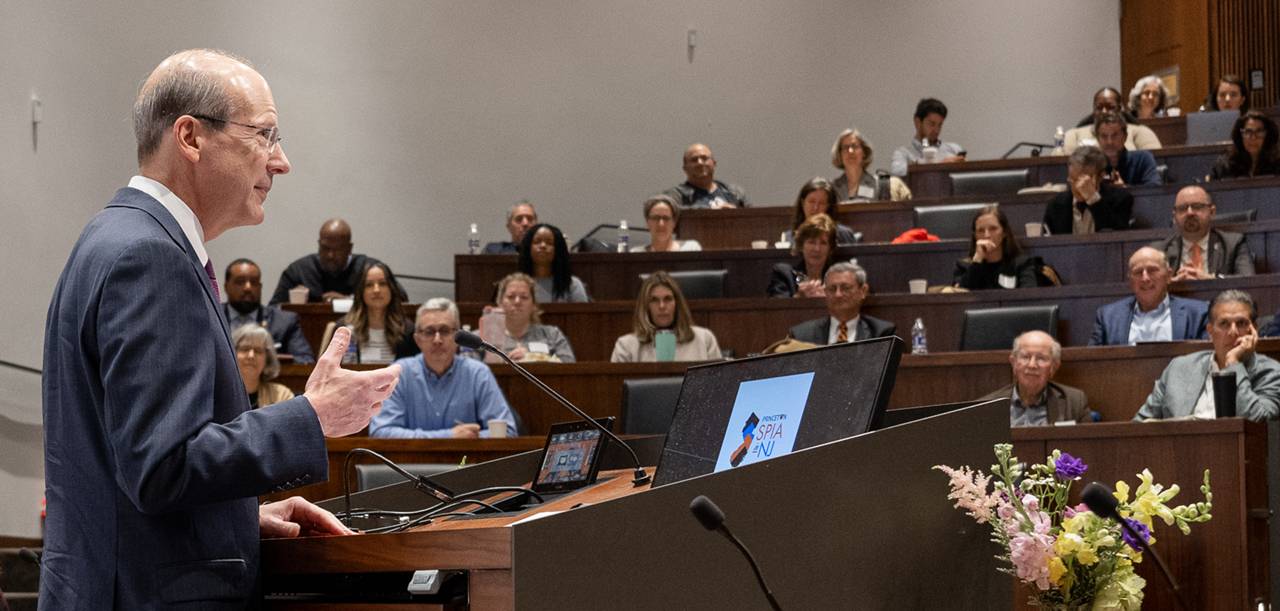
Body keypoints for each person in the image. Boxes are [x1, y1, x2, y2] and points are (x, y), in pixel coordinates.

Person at [41, 49, 401, 609]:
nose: (280, 162)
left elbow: (128, 469)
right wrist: (313, 416)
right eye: (264, 135)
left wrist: (238, 518)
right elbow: (162, 466)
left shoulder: (113, 237)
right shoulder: (148, 257)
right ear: (190, 137)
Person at [371, 299, 518, 438]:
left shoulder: (478, 373)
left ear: (458, 337)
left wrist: (474, 437)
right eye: (429, 332)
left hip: (467, 462)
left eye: (445, 330)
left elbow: (508, 431)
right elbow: (380, 431)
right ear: (417, 340)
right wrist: (449, 436)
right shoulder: (399, 374)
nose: (437, 340)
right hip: (409, 464)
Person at [1135, 290, 1280, 421]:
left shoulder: (1271, 373)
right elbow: (1139, 425)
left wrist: (1233, 364)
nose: (1233, 332)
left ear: (1254, 329)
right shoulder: (1179, 368)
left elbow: (1257, 422)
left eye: (1241, 323)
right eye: (1224, 324)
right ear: (1210, 331)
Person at [1089, 247, 1209, 346]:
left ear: (1168, 276)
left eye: (1152, 270)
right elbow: (1093, 362)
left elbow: (1205, 359)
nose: (1145, 278)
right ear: (1130, 280)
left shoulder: (1198, 313)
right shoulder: (1108, 317)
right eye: (1138, 272)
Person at [269, 218, 404, 304]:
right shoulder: (299, 271)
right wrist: (294, 303)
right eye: (325, 248)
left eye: (337, 249)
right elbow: (274, 309)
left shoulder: (369, 269)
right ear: (319, 244)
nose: (330, 255)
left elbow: (402, 300)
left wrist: (349, 302)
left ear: (349, 248)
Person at [977, 331, 1090, 426]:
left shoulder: (1074, 402)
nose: (1032, 365)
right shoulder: (986, 408)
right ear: (1014, 363)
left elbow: (1084, 448)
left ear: (1054, 367)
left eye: (1041, 358)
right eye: (1025, 357)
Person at [611, 271, 722, 362]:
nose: (662, 306)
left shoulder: (704, 339)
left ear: (677, 303)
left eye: (668, 299)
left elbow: (720, 384)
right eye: (654, 300)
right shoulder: (625, 346)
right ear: (645, 306)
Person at [319, 261, 417, 364]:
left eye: (382, 283)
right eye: (369, 285)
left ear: (391, 289)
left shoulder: (407, 330)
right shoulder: (345, 328)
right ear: (361, 291)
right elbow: (328, 369)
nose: (376, 290)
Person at [1151, 185, 1254, 280]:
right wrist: (1171, 283)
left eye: (1197, 206)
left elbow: (1248, 279)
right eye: (1182, 208)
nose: (1190, 213)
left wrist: (1210, 279)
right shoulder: (1158, 251)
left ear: (1212, 212)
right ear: (1175, 215)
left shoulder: (1233, 243)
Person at [223, 258, 316, 363]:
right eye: (240, 282)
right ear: (226, 287)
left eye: (254, 282)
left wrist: (269, 360)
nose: (248, 288)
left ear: (260, 287)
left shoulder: (284, 322)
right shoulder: (211, 319)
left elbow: (305, 360)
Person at [787, 262, 895, 344]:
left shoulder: (882, 333)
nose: (838, 294)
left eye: (846, 288)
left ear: (863, 291)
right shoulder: (801, 335)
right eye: (832, 289)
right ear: (825, 293)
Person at [1042, 146, 1134, 235]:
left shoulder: (1121, 199)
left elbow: (1118, 238)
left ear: (1101, 176)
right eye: (1073, 179)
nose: (1078, 187)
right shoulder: (1055, 205)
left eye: (1084, 181)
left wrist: (1093, 199)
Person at [490, 272, 576, 362]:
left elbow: (569, 365)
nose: (517, 301)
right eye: (511, 296)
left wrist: (532, 357)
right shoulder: (483, 338)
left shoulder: (553, 335)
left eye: (524, 297)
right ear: (500, 303)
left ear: (534, 305)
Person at [952, 205, 1038, 290]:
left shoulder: (1022, 264)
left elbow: (1028, 297)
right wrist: (977, 260)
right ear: (975, 236)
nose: (987, 235)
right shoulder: (963, 267)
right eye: (980, 230)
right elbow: (961, 296)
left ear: (1004, 232)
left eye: (993, 229)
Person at [1062, 87, 1162, 153]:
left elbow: (1155, 160)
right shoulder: (1074, 134)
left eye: (1110, 107)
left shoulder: (1140, 131)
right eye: (1099, 107)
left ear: (1120, 109)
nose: (1104, 112)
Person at [829, 128, 912, 201]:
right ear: (839, 154)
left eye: (855, 146)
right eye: (845, 148)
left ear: (864, 152)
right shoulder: (832, 189)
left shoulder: (884, 185)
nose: (850, 151)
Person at [890, 98, 965, 177]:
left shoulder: (954, 149)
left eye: (940, 125)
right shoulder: (903, 154)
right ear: (918, 122)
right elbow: (896, 172)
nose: (936, 130)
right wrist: (940, 165)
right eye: (932, 124)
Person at [767, 214, 838, 298]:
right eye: (811, 242)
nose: (817, 249)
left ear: (830, 248)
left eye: (823, 243)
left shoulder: (838, 277)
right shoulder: (784, 275)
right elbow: (777, 308)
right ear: (801, 245)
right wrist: (799, 297)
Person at [518, 223, 591, 302]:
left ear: (558, 249)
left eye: (549, 243)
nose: (543, 246)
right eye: (537, 241)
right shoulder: (516, 285)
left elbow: (582, 313)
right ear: (528, 248)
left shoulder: (572, 285)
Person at [663, 143, 748, 208]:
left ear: (714, 164)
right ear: (685, 168)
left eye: (704, 158)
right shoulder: (675, 196)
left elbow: (752, 220)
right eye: (694, 160)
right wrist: (713, 212)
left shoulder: (735, 193)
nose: (700, 163)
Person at [232, 324, 295, 409]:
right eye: (245, 349)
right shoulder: (219, 393)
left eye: (258, 351)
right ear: (231, 354)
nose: (251, 356)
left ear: (267, 359)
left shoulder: (281, 395)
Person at [1094, 112, 1161, 187]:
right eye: (1104, 136)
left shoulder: (1142, 159)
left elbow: (1154, 189)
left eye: (1114, 135)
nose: (1109, 142)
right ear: (1097, 139)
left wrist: (1125, 189)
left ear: (1125, 137)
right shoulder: (1093, 165)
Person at [785, 177, 858, 246]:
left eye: (822, 203)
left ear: (828, 206)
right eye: (811, 202)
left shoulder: (843, 235)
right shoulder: (790, 237)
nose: (815, 207)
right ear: (803, 203)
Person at [1209, 110, 1280, 179]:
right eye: (1248, 132)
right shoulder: (1224, 165)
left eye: (1259, 132)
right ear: (1240, 136)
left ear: (1267, 135)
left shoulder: (1277, 164)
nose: (1253, 137)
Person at [634, 194, 702, 252]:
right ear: (647, 222)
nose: (661, 224)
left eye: (666, 218)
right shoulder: (636, 254)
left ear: (674, 223)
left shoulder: (691, 249)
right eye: (656, 218)